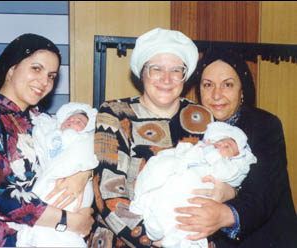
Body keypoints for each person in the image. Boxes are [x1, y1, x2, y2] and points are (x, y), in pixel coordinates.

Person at [87, 27, 235, 248]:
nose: (167, 79)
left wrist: (228, 191)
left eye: (176, 70)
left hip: (192, 236)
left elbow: (229, 170)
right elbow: (108, 193)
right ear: (142, 72)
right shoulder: (115, 113)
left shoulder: (203, 117)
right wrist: (156, 240)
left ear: (185, 76)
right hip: (126, 239)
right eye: (157, 69)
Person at [0, 33, 94, 247]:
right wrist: (66, 221)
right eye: (36, 68)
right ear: (12, 68)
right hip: (2, 240)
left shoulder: (47, 122)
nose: (44, 82)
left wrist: (83, 173)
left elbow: (81, 148)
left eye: (51, 75)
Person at [176, 48, 297, 247]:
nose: (216, 95)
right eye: (208, 85)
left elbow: (263, 193)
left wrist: (226, 210)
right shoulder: (193, 127)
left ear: (242, 91)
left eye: (228, 85)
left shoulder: (265, 125)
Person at [130, 121, 257, 248]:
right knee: (163, 195)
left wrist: (210, 152)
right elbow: (184, 152)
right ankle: (153, 222)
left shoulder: (229, 166)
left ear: (236, 157)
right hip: (176, 179)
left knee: (186, 212)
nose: (221, 145)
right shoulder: (201, 149)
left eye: (227, 147)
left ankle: (178, 239)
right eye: (220, 141)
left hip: (196, 189)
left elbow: (224, 174)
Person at [16, 102, 98, 247]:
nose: (72, 122)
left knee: (72, 207)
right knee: (50, 202)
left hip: (77, 182)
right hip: (51, 179)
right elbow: (42, 142)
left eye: (79, 122)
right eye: (69, 119)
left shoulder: (84, 138)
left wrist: (85, 171)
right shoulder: (53, 133)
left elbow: (90, 152)